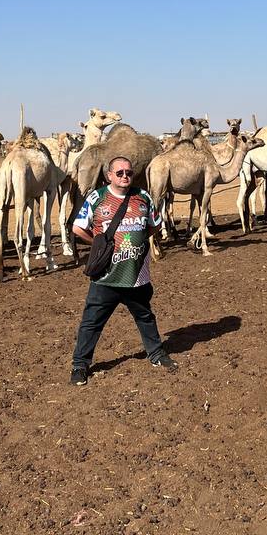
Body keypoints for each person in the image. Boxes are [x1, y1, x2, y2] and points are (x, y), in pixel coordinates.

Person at [69, 155, 178, 385]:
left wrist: (137, 244)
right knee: (91, 321)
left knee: (145, 316)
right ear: (109, 175)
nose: (125, 176)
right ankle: (80, 365)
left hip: (136, 274)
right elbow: (78, 228)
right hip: (106, 275)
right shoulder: (97, 198)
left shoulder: (143, 197)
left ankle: (156, 354)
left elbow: (153, 226)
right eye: (119, 173)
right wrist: (99, 245)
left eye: (128, 172)